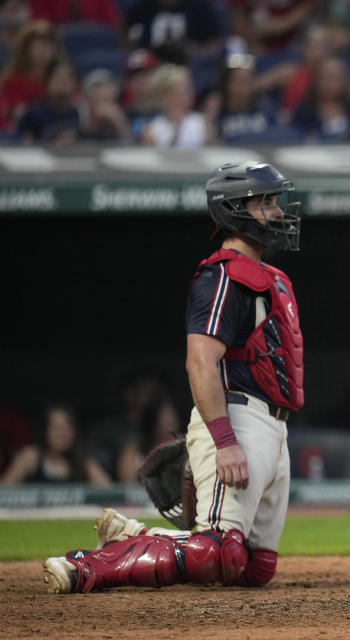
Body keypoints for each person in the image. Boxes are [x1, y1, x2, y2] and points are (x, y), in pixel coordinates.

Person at [42, 160, 305, 595]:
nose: (277, 213)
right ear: (235, 209)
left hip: (275, 426)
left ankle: (133, 539)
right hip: (238, 417)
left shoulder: (272, 278)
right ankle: (88, 567)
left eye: (275, 202)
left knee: (254, 569)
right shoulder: (222, 276)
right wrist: (224, 441)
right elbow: (200, 362)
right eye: (265, 203)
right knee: (217, 552)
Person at [1, 405, 111, 485]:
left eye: (67, 428)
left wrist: (86, 461)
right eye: (56, 428)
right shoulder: (31, 456)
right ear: (44, 431)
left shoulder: (83, 459)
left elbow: (108, 492)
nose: (62, 434)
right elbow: (4, 491)